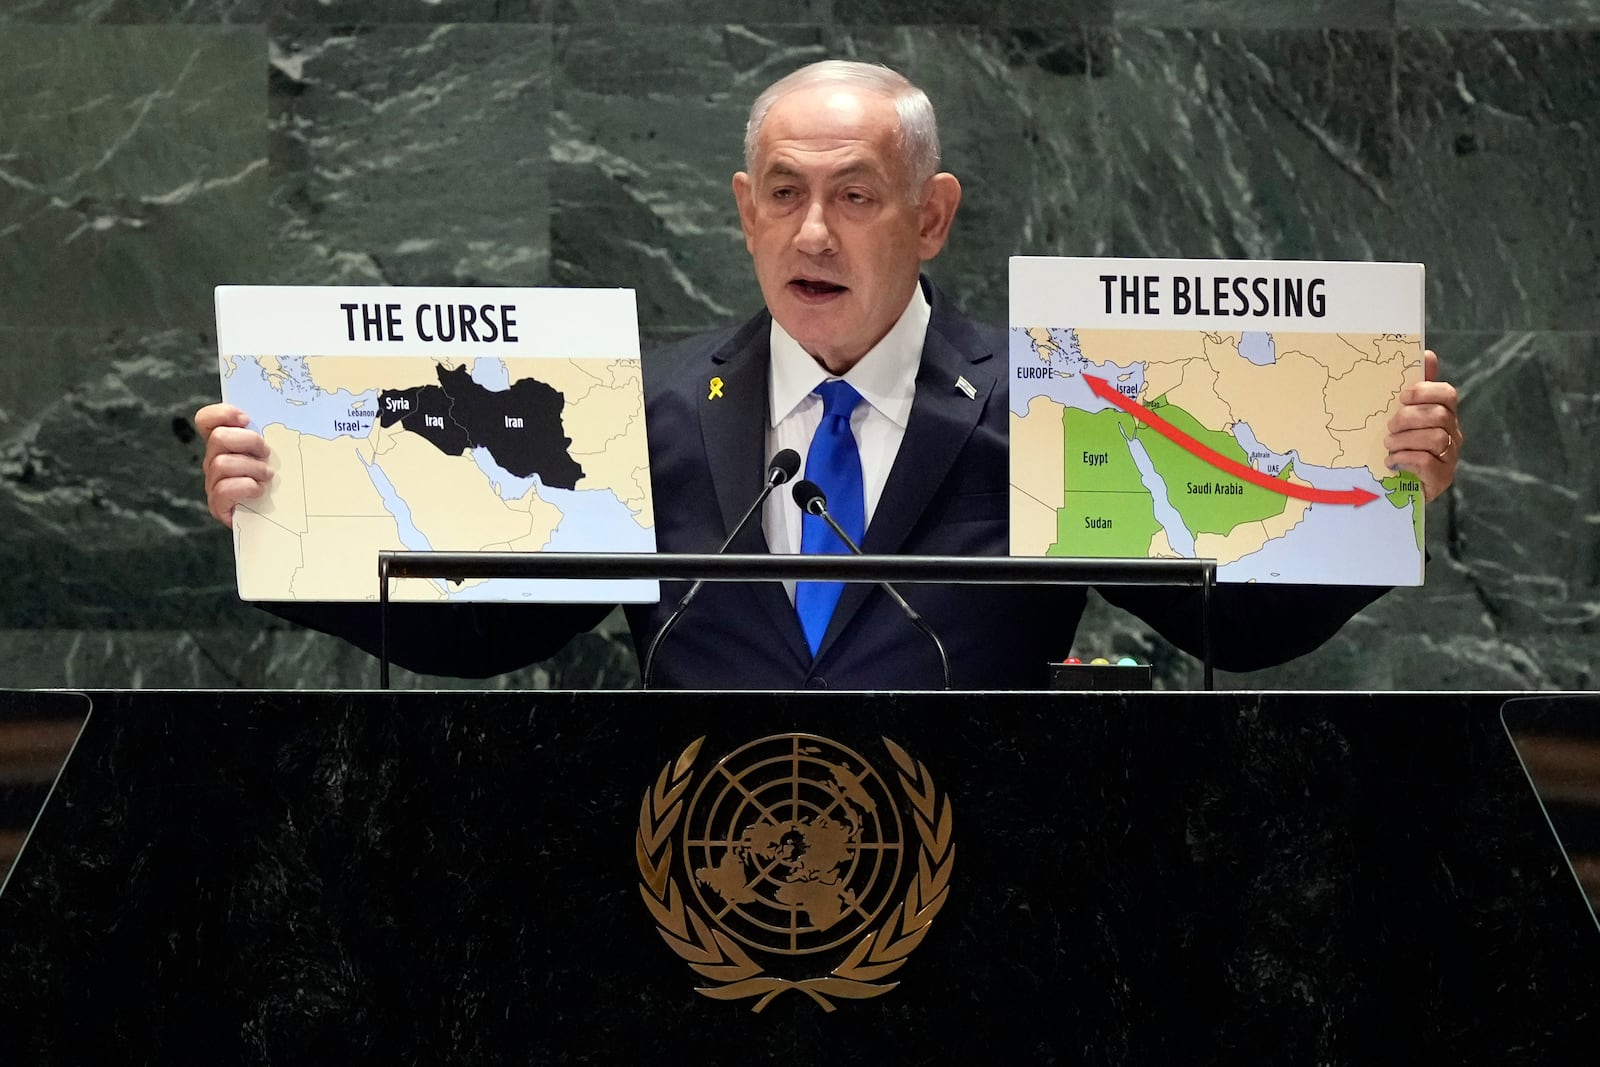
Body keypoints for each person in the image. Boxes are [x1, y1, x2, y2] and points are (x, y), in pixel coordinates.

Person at [196, 61, 1463, 690]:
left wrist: (1378, 496)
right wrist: (289, 529)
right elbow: (497, 628)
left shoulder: (1052, 405)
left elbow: (1225, 624)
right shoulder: (645, 409)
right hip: (699, 896)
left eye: (855, 196)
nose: (814, 232)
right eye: (786, 196)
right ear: (744, 212)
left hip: (991, 904)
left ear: (929, 216)